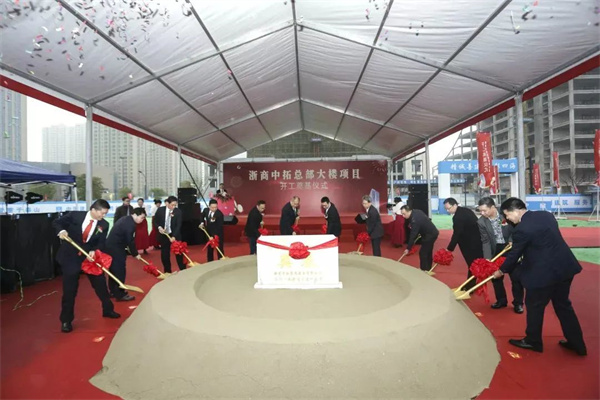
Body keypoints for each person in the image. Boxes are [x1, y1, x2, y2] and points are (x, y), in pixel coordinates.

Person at [493, 198, 586, 356]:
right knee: (563, 306)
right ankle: (577, 344)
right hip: (564, 268)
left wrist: (501, 271)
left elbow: (515, 254)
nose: (508, 219)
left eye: (507, 215)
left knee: (534, 306)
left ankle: (533, 340)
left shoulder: (521, 229)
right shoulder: (546, 215)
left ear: (516, 210)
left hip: (543, 274)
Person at [53, 199, 119, 333]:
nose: (103, 216)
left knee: (100, 284)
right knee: (70, 290)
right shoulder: (75, 215)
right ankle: (66, 320)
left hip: (89, 258)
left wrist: (94, 250)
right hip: (70, 257)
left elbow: (101, 242)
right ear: (93, 209)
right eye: (102, 213)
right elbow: (56, 223)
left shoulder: (104, 224)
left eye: (105, 213)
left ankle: (108, 309)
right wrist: (61, 231)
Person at [478, 197, 524, 313]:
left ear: (493, 207)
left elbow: (517, 227)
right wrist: (487, 258)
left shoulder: (506, 214)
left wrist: (512, 240)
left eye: (484, 210)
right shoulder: (481, 222)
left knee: (516, 277)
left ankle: (518, 303)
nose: (482, 213)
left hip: (511, 248)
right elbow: (485, 241)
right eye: (480, 211)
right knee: (496, 277)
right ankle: (501, 300)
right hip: (496, 249)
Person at [443, 198, 483, 291]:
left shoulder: (458, 217)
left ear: (455, 205)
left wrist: (449, 248)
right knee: (473, 264)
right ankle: (470, 284)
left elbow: (457, 234)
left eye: (448, 208)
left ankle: (470, 286)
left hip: (470, 243)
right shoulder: (465, 210)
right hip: (476, 241)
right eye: (446, 209)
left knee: (472, 264)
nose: (448, 211)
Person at [105, 208, 145, 301]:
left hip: (112, 247)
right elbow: (130, 241)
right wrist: (135, 253)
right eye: (142, 217)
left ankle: (113, 291)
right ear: (135, 214)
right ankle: (120, 294)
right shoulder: (130, 224)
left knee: (114, 270)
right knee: (119, 271)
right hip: (116, 248)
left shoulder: (126, 219)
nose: (142, 220)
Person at [153, 196, 186, 273]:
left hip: (175, 234)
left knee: (179, 253)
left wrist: (174, 236)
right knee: (165, 254)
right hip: (164, 235)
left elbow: (178, 225)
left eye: (175, 205)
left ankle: (183, 270)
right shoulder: (160, 210)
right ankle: (167, 271)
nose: (174, 207)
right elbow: (155, 221)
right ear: (167, 203)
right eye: (172, 205)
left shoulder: (178, 212)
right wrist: (159, 228)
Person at [401, 205, 439, 271]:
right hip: (431, 232)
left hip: (430, 235)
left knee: (423, 252)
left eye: (404, 214)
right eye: (402, 214)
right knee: (428, 251)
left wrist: (408, 248)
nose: (403, 216)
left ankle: (424, 270)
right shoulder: (416, 211)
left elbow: (413, 235)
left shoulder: (415, 220)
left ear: (409, 211)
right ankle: (427, 269)